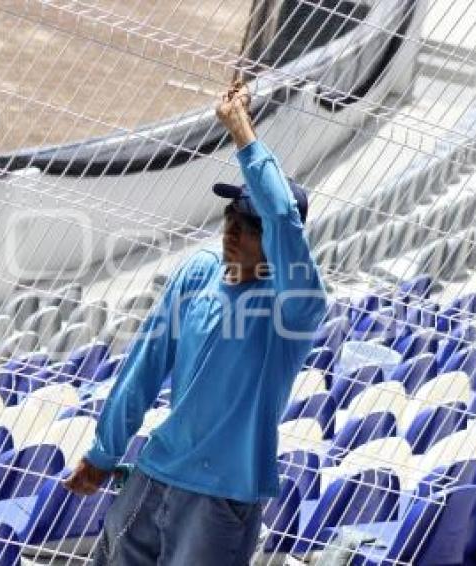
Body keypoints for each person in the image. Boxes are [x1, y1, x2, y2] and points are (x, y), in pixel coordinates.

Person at [63, 82, 327, 565]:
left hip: (223, 498)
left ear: (277, 247)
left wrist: (243, 134)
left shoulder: (296, 308)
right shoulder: (196, 272)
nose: (232, 233)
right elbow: (144, 366)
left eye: (249, 229)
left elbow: (284, 220)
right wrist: (105, 453)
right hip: (155, 474)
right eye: (231, 218)